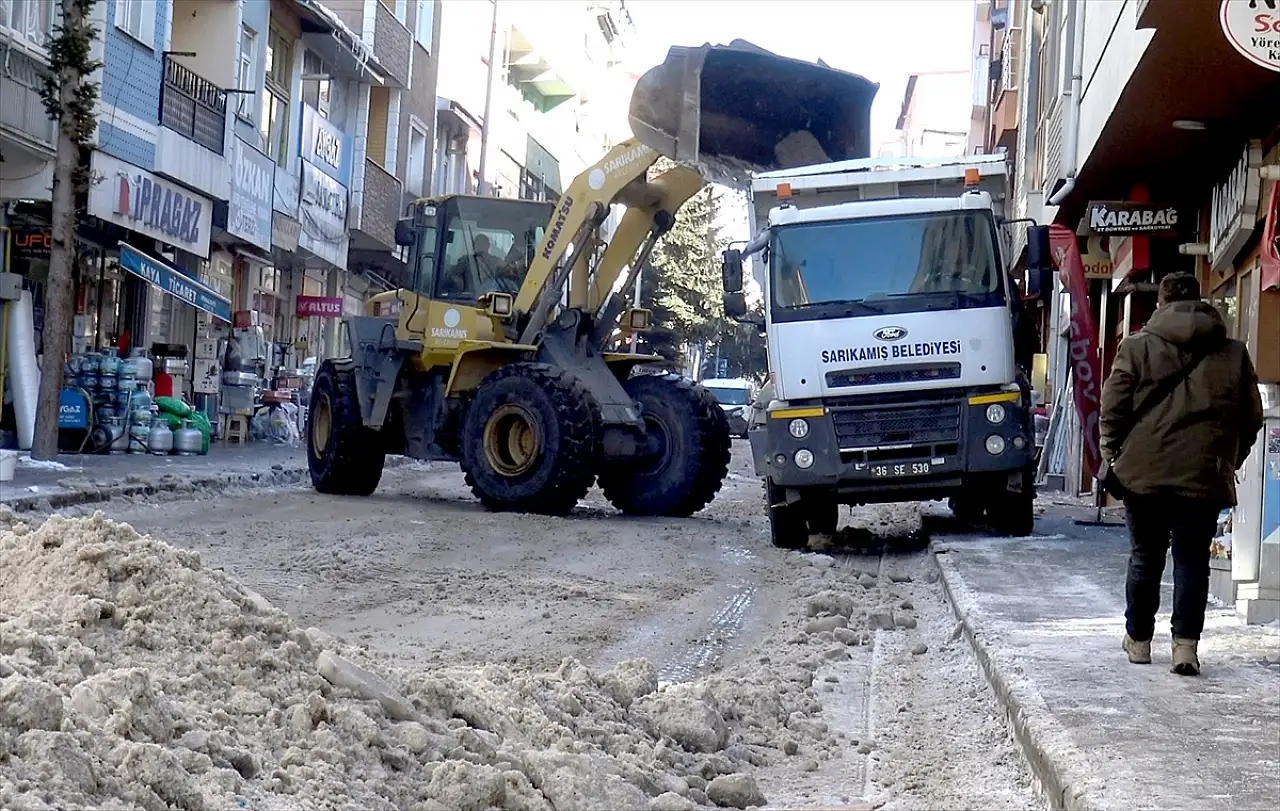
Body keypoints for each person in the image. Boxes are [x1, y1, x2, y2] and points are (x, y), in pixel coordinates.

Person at [1100, 271, 1263, 676]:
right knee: (1192, 562)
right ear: (1201, 302)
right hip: (1204, 475)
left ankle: (1138, 642)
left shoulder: (1135, 347)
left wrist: (1112, 454)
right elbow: (1252, 418)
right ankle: (1185, 649)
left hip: (1144, 473)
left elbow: (1113, 408)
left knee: (1145, 557)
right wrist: (1229, 460)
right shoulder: (1233, 353)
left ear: (1162, 304)